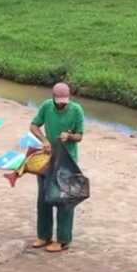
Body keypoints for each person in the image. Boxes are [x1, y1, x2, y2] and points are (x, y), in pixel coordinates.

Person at [29, 82, 84, 253]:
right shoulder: (46, 106)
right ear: (53, 98)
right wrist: (44, 140)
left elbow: (80, 136)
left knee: (64, 200)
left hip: (68, 161)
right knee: (44, 197)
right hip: (48, 158)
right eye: (58, 101)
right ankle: (43, 235)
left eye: (64, 102)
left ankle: (63, 240)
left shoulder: (77, 111)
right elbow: (33, 125)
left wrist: (69, 136)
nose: (61, 104)